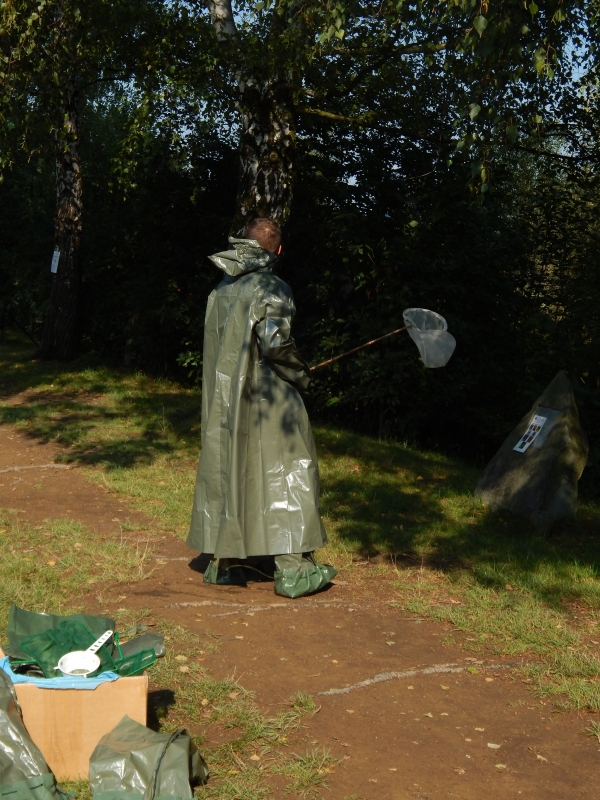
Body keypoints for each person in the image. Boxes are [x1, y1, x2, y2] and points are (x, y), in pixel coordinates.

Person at [187, 217, 337, 598]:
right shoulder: (272, 287)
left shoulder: (221, 289)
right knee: (292, 469)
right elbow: (273, 344)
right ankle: (293, 569)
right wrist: (302, 373)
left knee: (235, 468)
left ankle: (229, 562)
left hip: (228, 399)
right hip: (268, 396)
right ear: (279, 250)